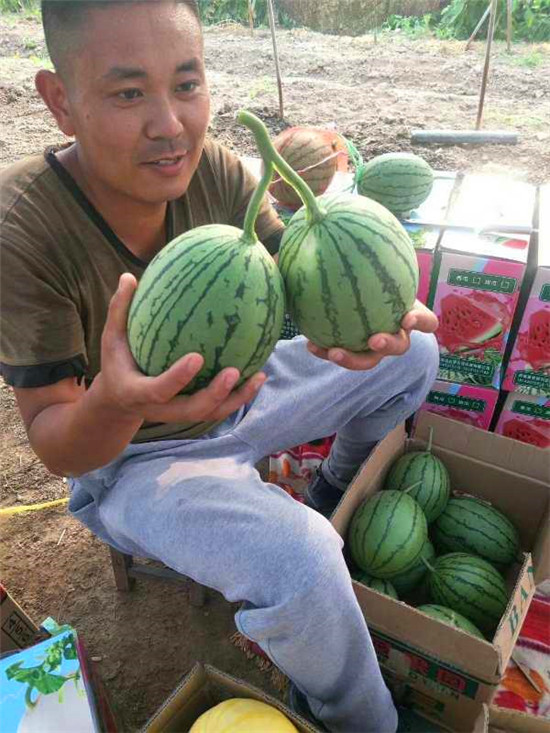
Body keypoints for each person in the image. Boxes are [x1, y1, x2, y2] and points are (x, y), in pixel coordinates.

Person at [0, 1, 440, 730]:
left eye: (186, 84)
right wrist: (119, 400)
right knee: (303, 561)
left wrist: (363, 320)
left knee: (416, 354)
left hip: (243, 395)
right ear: (60, 101)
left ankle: (332, 486)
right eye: (129, 92)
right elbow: (56, 443)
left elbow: (300, 282)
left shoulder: (218, 172)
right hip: (131, 460)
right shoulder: (22, 228)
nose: (170, 124)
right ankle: (363, 720)